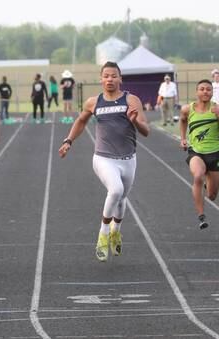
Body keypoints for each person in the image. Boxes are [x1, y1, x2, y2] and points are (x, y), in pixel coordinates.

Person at [58, 62, 150, 262]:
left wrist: (134, 121)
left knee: (122, 198)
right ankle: (103, 234)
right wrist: (68, 141)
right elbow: (81, 121)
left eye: (113, 76)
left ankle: (116, 230)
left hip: (128, 159)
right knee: (115, 191)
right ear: (101, 79)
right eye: (106, 76)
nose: (110, 79)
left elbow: (146, 131)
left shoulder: (131, 100)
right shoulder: (94, 102)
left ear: (120, 78)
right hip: (103, 158)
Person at [179, 80, 219, 229]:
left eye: (208, 89)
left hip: (214, 154)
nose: (205, 92)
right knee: (198, 175)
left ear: (212, 92)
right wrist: (183, 139)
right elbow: (183, 121)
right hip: (196, 152)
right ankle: (201, 216)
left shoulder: (218, 108)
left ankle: (207, 183)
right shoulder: (187, 109)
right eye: (202, 89)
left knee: (212, 196)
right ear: (197, 92)